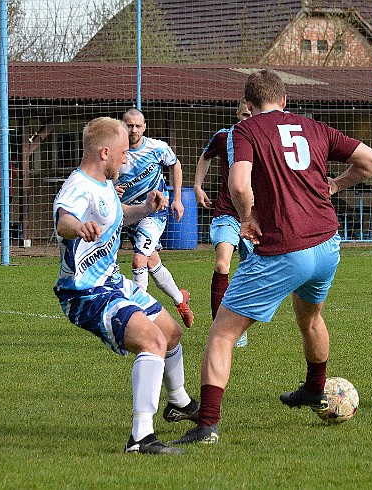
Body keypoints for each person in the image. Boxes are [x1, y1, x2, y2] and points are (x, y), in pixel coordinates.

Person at [173, 69, 372, 445]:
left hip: (285, 248)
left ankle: (206, 424)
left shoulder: (245, 131)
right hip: (327, 245)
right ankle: (314, 389)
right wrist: (335, 184)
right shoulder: (314, 127)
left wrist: (246, 218)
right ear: (284, 101)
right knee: (311, 317)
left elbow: (238, 185)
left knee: (222, 334)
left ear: (249, 106)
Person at [52, 116, 199, 455]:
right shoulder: (79, 187)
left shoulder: (104, 183)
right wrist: (78, 228)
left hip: (113, 282)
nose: (125, 159)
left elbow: (117, 215)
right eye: (121, 153)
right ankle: (141, 437)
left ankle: (178, 401)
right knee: (153, 341)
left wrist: (145, 208)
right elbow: (64, 220)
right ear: (104, 152)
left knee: (171, 332)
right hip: (85, 292)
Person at [116, 108, 194, 328]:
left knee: (138, 259)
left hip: (155, 212)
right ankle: (180, 299)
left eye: (137, 126)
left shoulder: (157, 148)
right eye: (129, 125)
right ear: (123, 126)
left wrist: (177, 199)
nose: (133, 130)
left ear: (144, 127)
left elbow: (175, 165)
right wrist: (112, 189)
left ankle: (139, 316)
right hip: (129, 214)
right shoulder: (115, 152)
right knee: (151, 261)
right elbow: (102, 178)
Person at [193, 100, 253, 341]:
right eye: (244, 114)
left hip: (255, 218)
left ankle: (238, 327)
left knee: (249, 274)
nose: (248, 119)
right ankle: (220, 331)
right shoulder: (224, 137)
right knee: (222, 265)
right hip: (227, 214)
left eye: (252, 114)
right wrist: (197, 186)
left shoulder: (266, 139)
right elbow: (205, 156)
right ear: (237, 115)